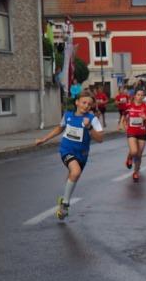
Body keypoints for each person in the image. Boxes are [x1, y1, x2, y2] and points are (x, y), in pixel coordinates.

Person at [34, 91, 104, 220]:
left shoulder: (92, 119)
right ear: (77, 102)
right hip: (66, 150)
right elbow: (59, 128)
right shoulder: (67, 116)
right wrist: (44, 139)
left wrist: (89, 127)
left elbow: (100, 139)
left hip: (82, 154)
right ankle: (65, 204)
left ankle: (63, 199)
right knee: (75, 172)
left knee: (73, 176)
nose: (86, 106)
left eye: (89, 104)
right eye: (84, 102)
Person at [121, 89, 146, 181]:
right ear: (135, 96)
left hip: (142, 132)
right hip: (131, 132)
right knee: (134, 151)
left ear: (144, 97)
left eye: (142, 95)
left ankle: (136, 172)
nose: (140, 97)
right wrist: (123, 125)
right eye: (138, 94)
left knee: (139, 155)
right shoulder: (129, 106)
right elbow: (124, 116)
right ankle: (129, 158)